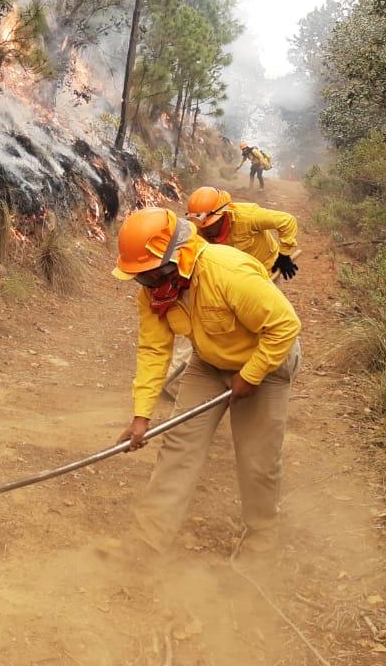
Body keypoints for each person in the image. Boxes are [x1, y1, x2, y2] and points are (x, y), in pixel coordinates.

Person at [112, 207, 302, 556]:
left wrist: (251, 375)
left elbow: (285, 327)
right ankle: (147, 540)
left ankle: (261, 535)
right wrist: (141, 416)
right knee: (179, 446)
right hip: (210, 361)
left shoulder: (226, 271)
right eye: (141, 278)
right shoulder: (154, 293)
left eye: (153, 275)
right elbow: (154, 350)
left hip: (267, 359)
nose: (148, 284)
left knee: (256, 455)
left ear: (177, 256)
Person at [186, 186, 299, 281]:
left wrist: (284, 255)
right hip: (233, 274)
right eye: (202, 226)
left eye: (210, 225)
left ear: (222, 215)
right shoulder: (197, 227)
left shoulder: (248, 216)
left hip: (264, 272)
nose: (205, 230)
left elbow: (287, 221)